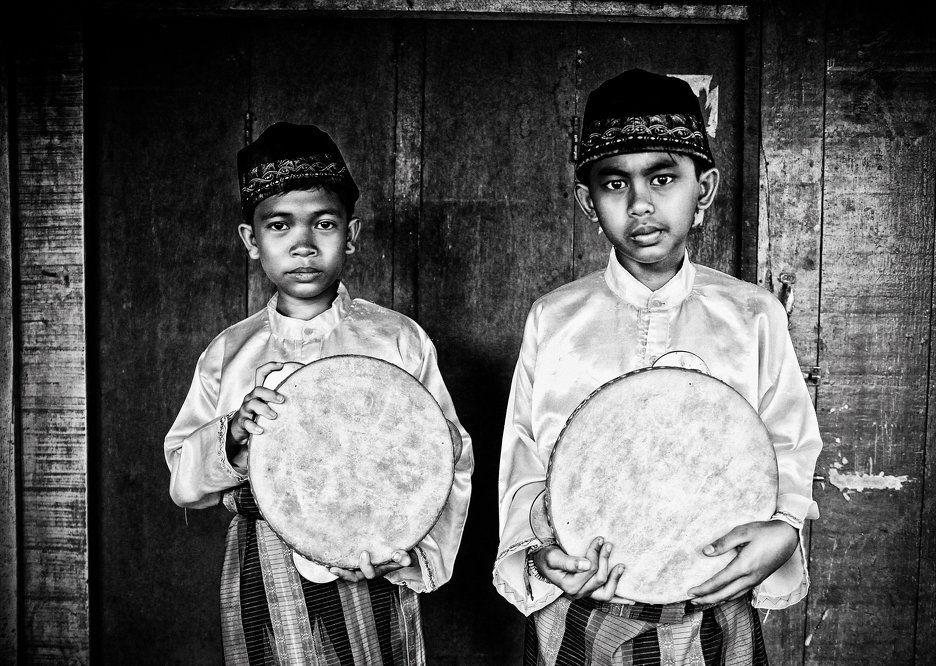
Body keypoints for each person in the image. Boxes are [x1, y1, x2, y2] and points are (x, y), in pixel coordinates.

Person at [493, 69, 822, 664]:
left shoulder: (753, 315)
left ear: (706, 187)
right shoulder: (556, 319)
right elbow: (524, 451)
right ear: (587, 202)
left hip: (714, 588)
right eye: (614, 183)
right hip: (584, 599)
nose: (640, 203)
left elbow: (790, 442)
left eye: (663, 178)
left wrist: (784, 527)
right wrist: (538, 549)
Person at [165, 122, 473, 665]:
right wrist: (235, 432)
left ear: (351, 235)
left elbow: (449, 454)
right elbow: (184, 483)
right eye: (280, 226)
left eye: (324, 224)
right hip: (263, 567)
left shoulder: (396, 339)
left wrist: (413, 555)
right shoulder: (230, 351)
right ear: (251, 241)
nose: (304, 245)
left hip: (371, 558)